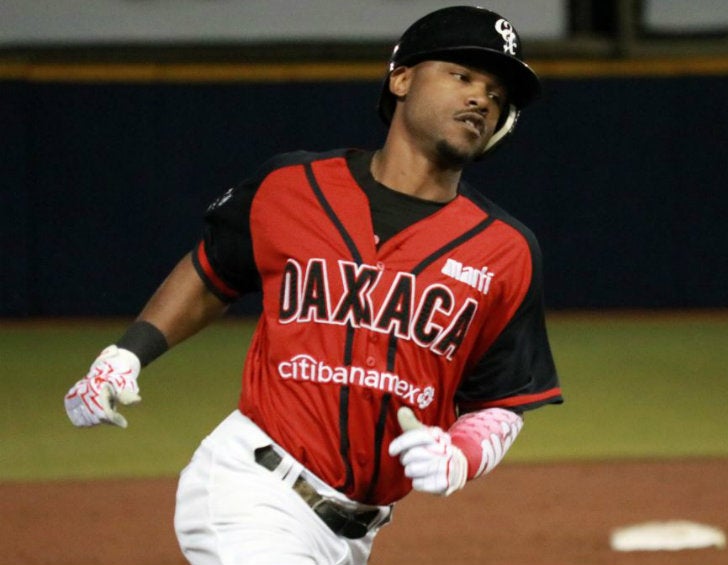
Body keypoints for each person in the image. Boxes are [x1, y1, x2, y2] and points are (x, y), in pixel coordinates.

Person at [62, 5, 563, 564]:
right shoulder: (291, 187)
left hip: (354, 533)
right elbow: (213, 271)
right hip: (252, 488)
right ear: (401, 78)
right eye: (462, 75)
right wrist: (126, 355)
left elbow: (501, 400)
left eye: (496, 93)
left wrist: (461, 454)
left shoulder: (505, 252)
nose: (480, 98)